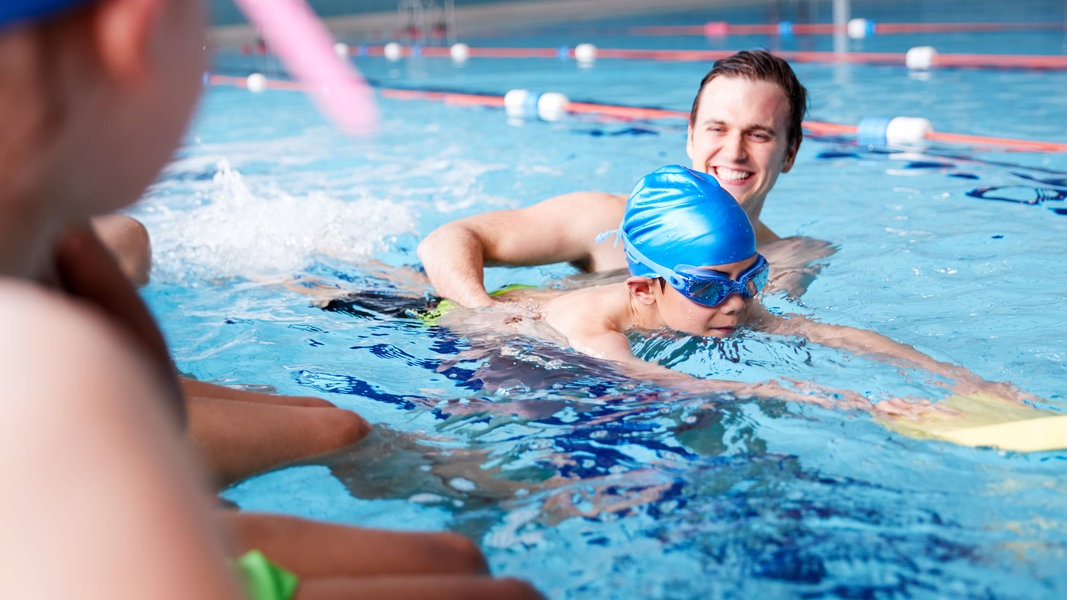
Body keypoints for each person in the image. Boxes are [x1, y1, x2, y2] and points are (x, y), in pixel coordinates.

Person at [0, 0, 543, 598]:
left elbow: (158, 395)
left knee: (455, 555)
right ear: (137, 40)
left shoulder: (48, 258)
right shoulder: (44, 358)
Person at [432, 165, 1033, 412]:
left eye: (752, 277)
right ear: (645, 289)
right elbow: (667, 384)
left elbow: (827, 334)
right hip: (449, 326)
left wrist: (961, 379)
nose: (739, 301)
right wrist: (847, 403)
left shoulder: (723, 300)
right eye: (714, 286)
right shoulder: (594, 324)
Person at [418, 49, 831, 308]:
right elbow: (447, 240)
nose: (734, 151)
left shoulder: (789, 259)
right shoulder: (607, 219)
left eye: (759, 135)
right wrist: (485, 313)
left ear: (790, 152)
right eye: (717, 129)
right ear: (690, 136)